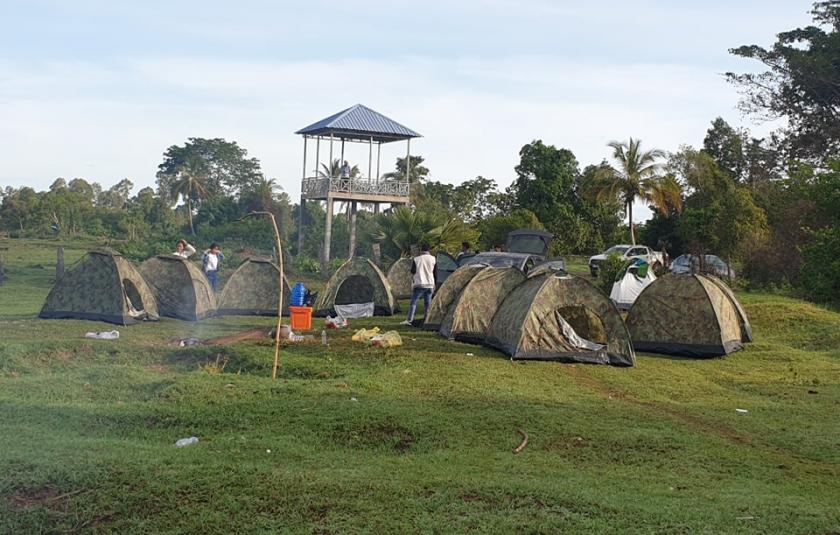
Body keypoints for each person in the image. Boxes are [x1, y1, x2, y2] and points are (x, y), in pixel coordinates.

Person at [401, 243, 436, 325]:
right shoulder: (433, 259)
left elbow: (412, 271)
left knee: (413, 302)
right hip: (430, 283)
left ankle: (409, 320)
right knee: (428, 304)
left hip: (420, 283)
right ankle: (427, 320)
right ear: (429, 250)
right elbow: (435, 272)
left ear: (421, 250)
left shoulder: (417, 259)